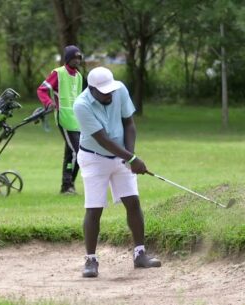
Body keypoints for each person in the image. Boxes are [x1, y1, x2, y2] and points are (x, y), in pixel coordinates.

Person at [73, 66, 161, 278]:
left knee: (133, 202)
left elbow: (129, 123)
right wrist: (131, 159)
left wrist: (129, 156)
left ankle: (140, 254)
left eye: (110, 90)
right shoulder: (81, 105)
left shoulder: (119, 89)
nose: (109, 94)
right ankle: (91, 260)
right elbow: (102, 139)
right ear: (91, 89)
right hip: (94, 158)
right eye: (104, 92)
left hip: (121, 155)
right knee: (94, 208)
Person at [37, 45, 83, 194]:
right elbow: (42, 89)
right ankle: (68, 185)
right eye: (74, 57)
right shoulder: (58, 73)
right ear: (68, 59)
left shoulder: (79, 76)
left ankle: (66, 185)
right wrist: (48, 103)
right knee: (79, 152)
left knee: (71, 153)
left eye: (79, 57)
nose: (77, 60)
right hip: (64, 118)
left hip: (77, 120)